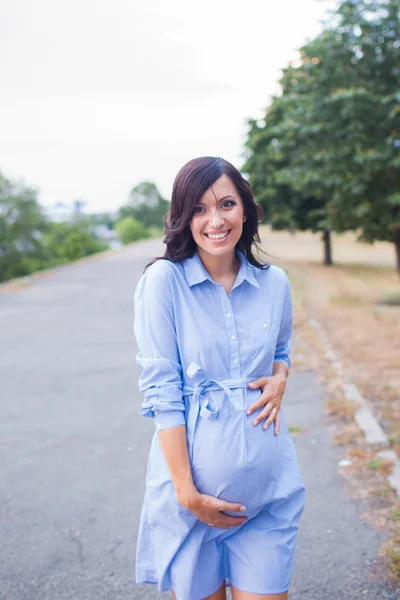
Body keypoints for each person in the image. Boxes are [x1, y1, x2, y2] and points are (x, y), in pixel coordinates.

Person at [133, 156, 306, 600]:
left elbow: (281, 351)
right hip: (190, 504)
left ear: (245, 210)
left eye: (226, 204)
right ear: (183, 217)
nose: (215, 220)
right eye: (199, 209)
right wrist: (188, 494)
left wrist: (281, 374)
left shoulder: (275, 284)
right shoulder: (163, 282)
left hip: (267, 500)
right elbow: (162, 392)